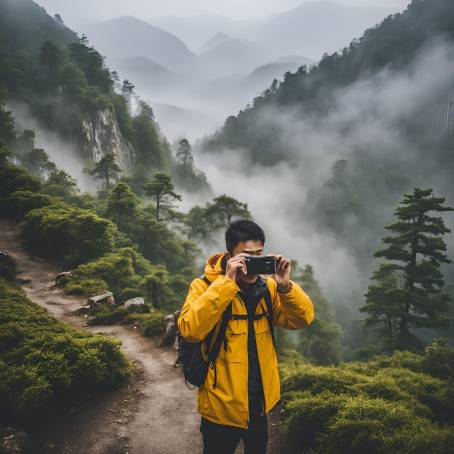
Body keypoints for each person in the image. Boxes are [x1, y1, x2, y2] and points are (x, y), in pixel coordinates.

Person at [178, 219, 315, 454]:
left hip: (259, 403)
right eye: (246, 257)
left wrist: (285, 287)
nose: (252, 264)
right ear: (229, 255)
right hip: (221, 404)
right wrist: (226, 284)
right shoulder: (204, 286)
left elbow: (301, 319)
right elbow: (190, 330)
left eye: (258, 255)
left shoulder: (269, 289)